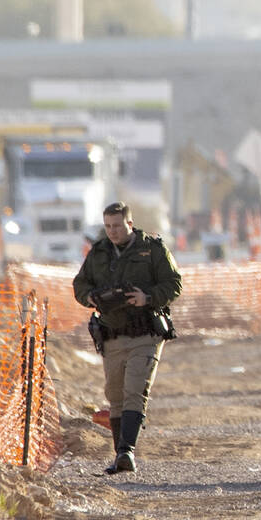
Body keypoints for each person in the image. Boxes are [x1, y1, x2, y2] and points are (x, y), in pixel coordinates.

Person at [73, 202, 182, 474]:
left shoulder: (153, 249)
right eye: (108, 226)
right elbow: (80, 284)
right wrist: (90, 297)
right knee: (115, 394)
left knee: (135, 389)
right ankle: (119, 456)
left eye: (117, 226)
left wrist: (148, 298)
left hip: (145, 333)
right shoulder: (98, 253)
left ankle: (127, 452)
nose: (112, 232)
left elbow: (174, 283)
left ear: (129, 225)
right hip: (112, 334)